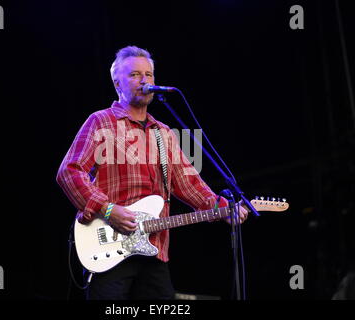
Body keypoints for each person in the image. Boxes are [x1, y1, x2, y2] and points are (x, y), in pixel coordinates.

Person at [56, 45, 248, 300]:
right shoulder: (101, 122)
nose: (144, 80)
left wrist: (223, 206)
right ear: (117, 83)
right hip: (109, 249)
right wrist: (108, 210)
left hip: (154, 250)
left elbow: (188, 182)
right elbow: (69, 171)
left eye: (149, 74)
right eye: (135, 74)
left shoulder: (164, 133)